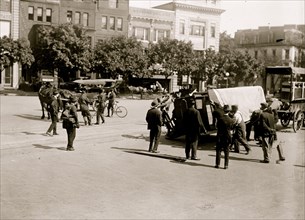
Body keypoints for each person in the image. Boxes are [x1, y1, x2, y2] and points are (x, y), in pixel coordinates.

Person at [215, 105, 235, 169]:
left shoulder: (220, 119)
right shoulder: (231, 120)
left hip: (220, 136)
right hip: (227, 136)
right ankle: (226, 165)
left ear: (223, 110)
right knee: (226, 151)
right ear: (229, 111)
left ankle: (217, 164)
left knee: (218, 150)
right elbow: (232, 128)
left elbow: (217, 127)